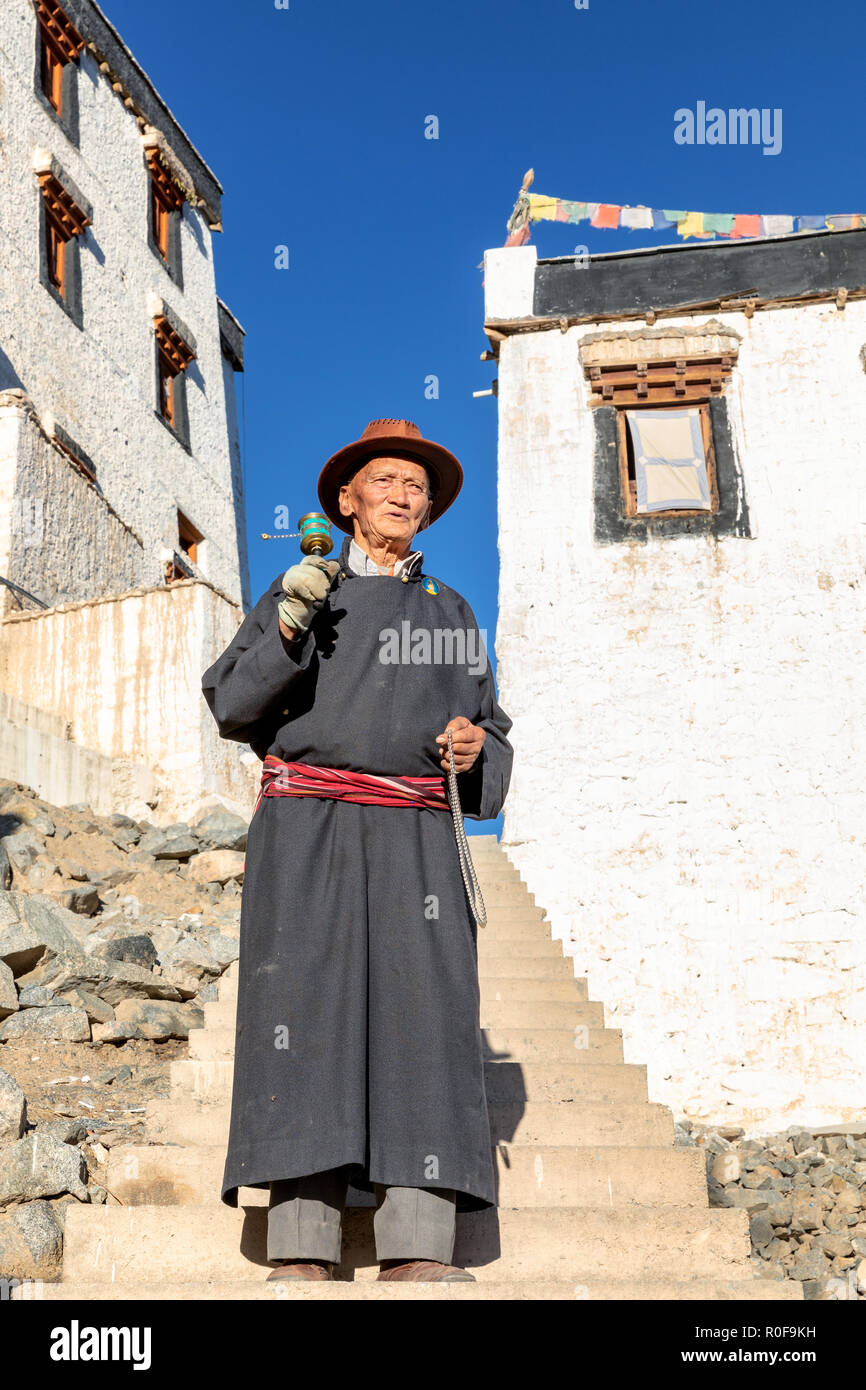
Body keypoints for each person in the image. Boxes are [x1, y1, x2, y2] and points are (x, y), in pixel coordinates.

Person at [201, 418, 514, 1282]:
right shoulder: (302, 589)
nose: (404, 496)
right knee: (305, 1020)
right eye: (386, 482)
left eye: (418, 487)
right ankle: (301, 1249)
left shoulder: (451, 613)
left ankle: (417, 1247)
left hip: (417, 838)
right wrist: (292, 626)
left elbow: (491, 727)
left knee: (425, 1023)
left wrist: (472, 746)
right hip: (310, 832)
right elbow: (232, 702)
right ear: (347, 500)